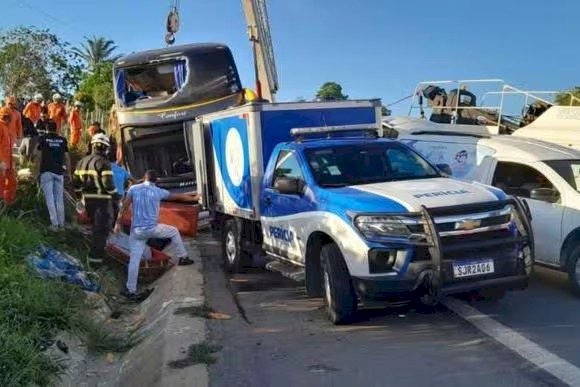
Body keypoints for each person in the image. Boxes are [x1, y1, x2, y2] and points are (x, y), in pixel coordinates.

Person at [113, 170, 196, 301]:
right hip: (152, 229)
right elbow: (178, 197)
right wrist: (195, 197)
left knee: (134, 259)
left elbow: (123, 207)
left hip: (137, 231)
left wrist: (118, 224)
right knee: (174, 231)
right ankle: (183, 257)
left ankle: (131, 290)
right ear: (155, 181)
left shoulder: (133, 189)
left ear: (144, 178)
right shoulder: (158, 191)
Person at [73, 134, 117, 265]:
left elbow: (76, 184)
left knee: (94, 229)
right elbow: (108, 184)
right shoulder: (103, 163)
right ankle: (95, 262)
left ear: (93, 145)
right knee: (101, 231)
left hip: (88, 202)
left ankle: (92, 257)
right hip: (102, 202)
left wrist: (80, 198)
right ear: (105, 148)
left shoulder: (82, 161)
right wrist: (116, 196)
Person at [35, 121, 71, 231]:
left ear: (46, 128)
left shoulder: (42, 139)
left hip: (46, 172)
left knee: (50, 199)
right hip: (59, 173)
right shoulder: (63, 140)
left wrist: (37, 172)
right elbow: (67, 157)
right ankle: (62, 224)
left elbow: (38, 156)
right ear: (57, 129)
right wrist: (68, 173)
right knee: (59, 199)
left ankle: (54, 225)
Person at [109, 151, 132, 226]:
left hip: (108, 194)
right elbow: (132, 180)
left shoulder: (105, 167)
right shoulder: (122, 170)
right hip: (119, 195)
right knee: (119, 212)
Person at [0, 109, 13, 203]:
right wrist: (1, 161)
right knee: (1, 183)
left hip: (8, 162)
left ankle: (7, 203)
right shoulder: (0, 126)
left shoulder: (6, 126)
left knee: (12, 182)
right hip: (2, 162)